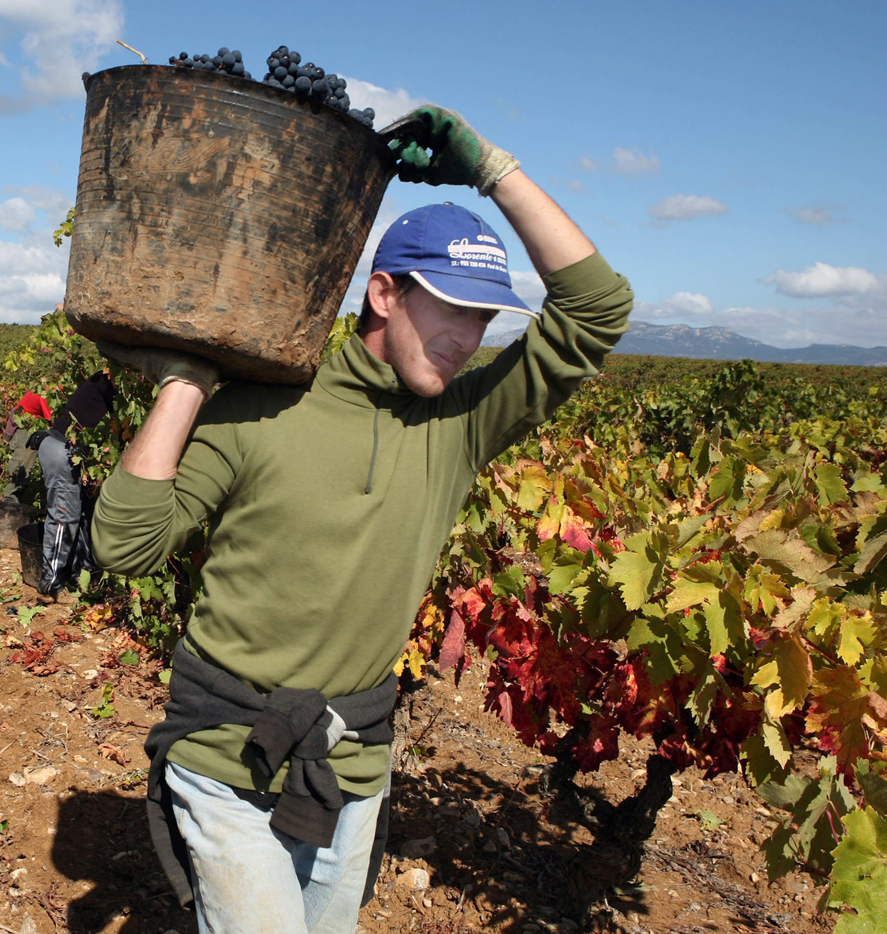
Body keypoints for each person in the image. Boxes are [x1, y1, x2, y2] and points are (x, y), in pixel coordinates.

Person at [91, 106, 634, 934]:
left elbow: (597, 308)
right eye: (451, 307)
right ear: (383, 292)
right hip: (225, 753)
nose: (467, 338)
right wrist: (186, 385)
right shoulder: (261, 409)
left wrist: (493, 167)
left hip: (350, 762)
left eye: (484, 318)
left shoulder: (460, 424)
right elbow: (124, 545)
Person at [36, 369, 115, 597]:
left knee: (82, 514)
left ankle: (80, 575)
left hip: (70, 453)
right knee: (64, 517)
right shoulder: (109, 380)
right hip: (63, 451)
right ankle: (50, 584)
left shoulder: (103, 379)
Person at [1, 390, 54, 502]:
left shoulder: (52, 391)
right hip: (27, 429)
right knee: (22, 465)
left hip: (36, 426)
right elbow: (52, 420)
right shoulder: (44, 394)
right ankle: (10, 502)